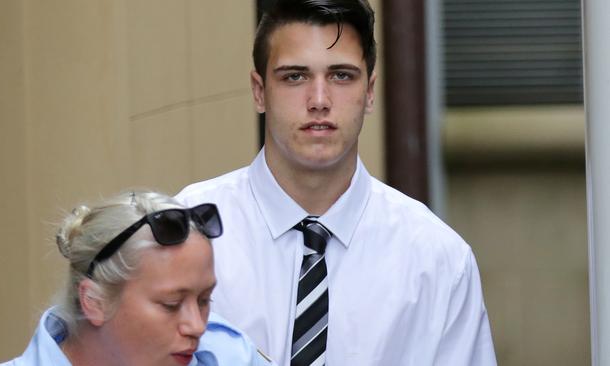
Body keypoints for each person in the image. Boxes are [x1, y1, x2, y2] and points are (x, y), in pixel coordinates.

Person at [176, 0, 497, 365]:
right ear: (259, 91)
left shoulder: (437, 260)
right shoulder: (187, 231)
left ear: (370, 91)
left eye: (341, 75)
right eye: (294, 76)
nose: (319, 100)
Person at [0, 191, 275, 366]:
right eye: (171, 304)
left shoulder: (226, 354)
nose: (197, 326)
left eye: (204, 300)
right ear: (93, 302)